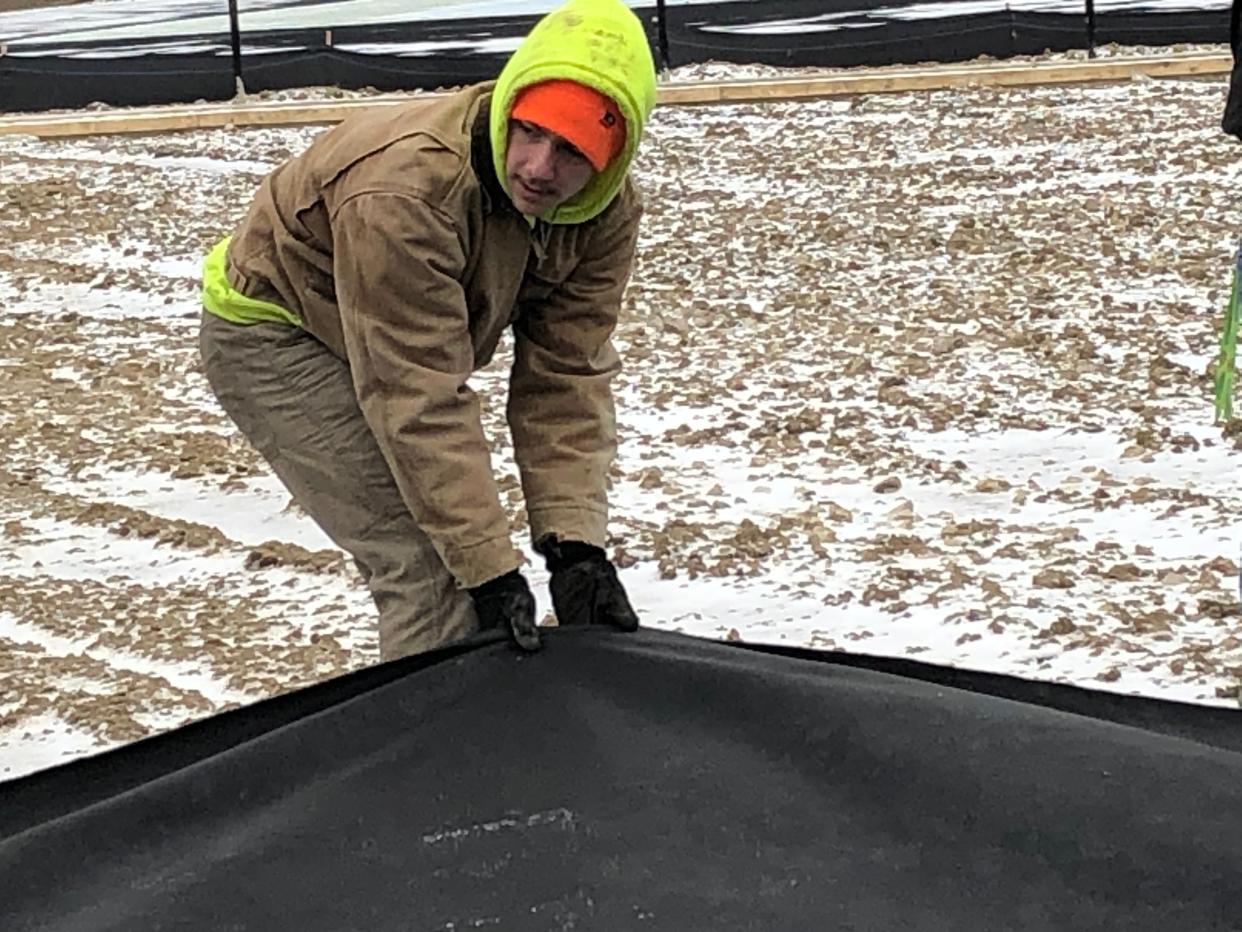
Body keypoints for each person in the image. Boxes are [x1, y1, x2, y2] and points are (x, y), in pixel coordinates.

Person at [198, 0, 655, 659]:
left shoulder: (605, 214)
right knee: (435, 575)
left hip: (382, 337)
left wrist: (574, 545)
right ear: (509, 105)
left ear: (611, 161)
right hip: (276, 328)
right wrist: (489, 567)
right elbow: (416, 391)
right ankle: (429, 755)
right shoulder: (406, 189)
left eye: (572, 151)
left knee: (466, 571)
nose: (537, 167)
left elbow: (568, 371)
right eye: (530, 131)